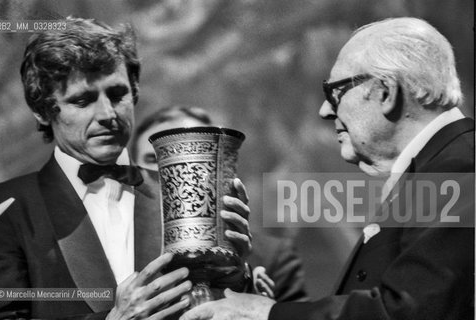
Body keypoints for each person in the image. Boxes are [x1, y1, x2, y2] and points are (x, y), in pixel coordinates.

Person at [180, 17, 475, 320]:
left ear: (386, 92)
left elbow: (412, 313)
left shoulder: (460, 168)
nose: (324, 110)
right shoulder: (442, 166)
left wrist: (271, 315)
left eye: (335, 91)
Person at [0, 17, 252, 320]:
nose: (107, 114)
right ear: (42, 111)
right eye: (82, 100)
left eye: (117, 95)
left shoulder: (184, 193)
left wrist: (234, 271)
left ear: (135, 91)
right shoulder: (6, 209)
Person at [131, 105, 309, 301]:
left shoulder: (271, 256)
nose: (185, 172)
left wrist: (261, 305)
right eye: (153, 159)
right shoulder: (123, 251)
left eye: (199, 154)